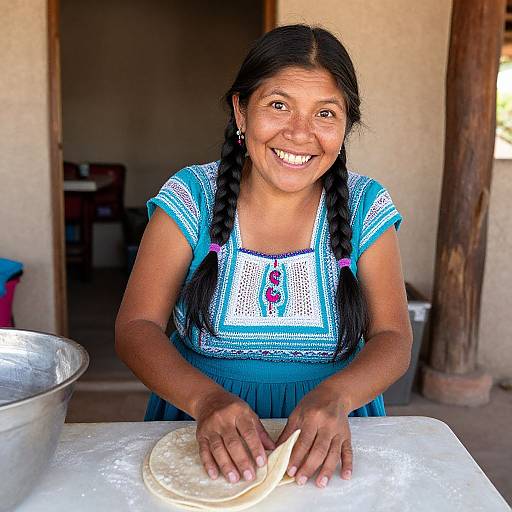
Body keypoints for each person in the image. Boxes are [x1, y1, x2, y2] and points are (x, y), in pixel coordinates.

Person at [115, 24, 412, 491]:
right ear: (241, 109)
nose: (299, 133)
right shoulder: (190, 197)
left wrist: (337, 395)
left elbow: (394, 335)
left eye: (325, 113)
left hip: (331, 432)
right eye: (278, 105)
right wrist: (206, 400)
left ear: (346, 125)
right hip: (201, 425)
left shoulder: (365, 207)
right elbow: (136, 328)